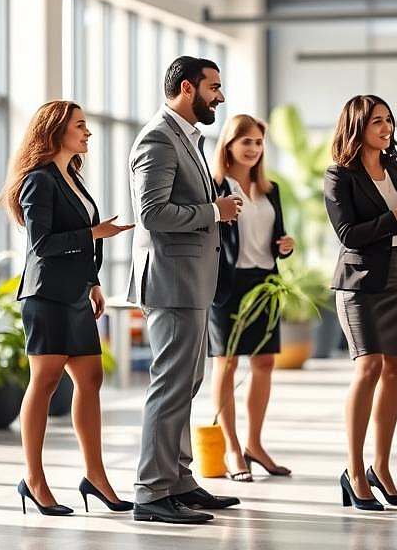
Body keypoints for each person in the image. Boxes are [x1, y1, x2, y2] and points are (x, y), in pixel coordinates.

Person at [5, 100, 135, 516]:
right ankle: (34, 480)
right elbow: (41, 245)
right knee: (44, 381)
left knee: (91, 377)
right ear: (56, 130)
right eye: (81, 126)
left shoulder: (72, 176)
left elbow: (77, 238)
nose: (88, 133)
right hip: (45, 295)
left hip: (76, 293)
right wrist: (95, 232)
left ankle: (95, 477)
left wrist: (93, 281)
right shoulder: (39, 181)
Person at [128, 56, 243, 524]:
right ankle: (151, 491)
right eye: (213, 87)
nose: (220, 95)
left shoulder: (186, 137)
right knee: (170, 386)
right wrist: (214, 212)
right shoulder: (157, 138)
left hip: (190, 282)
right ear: (187, 88)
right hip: (172, 282)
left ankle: (178, 480)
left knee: (186, 383)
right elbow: (151, 214)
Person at [323, 94, 397, 511]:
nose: (386, 128)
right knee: (368, 366)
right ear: (357, 127)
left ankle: (381, 468)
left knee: (394, 370)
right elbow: (349, 234)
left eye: (389, 120)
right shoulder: (339, 176)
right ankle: (353, 471)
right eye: (376, 122)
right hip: (361, 283)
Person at [208, 114, 296, 482]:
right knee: (226, 363)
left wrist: (285, 246)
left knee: (263, 364)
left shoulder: (269, 189)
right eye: (246, 141)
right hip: (226, 285)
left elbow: (277, 236)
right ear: (228, 144)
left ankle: (254, 445)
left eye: (258, 143)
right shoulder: (215, 187)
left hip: (265, 282)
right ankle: (231, 447)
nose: (253, 149)